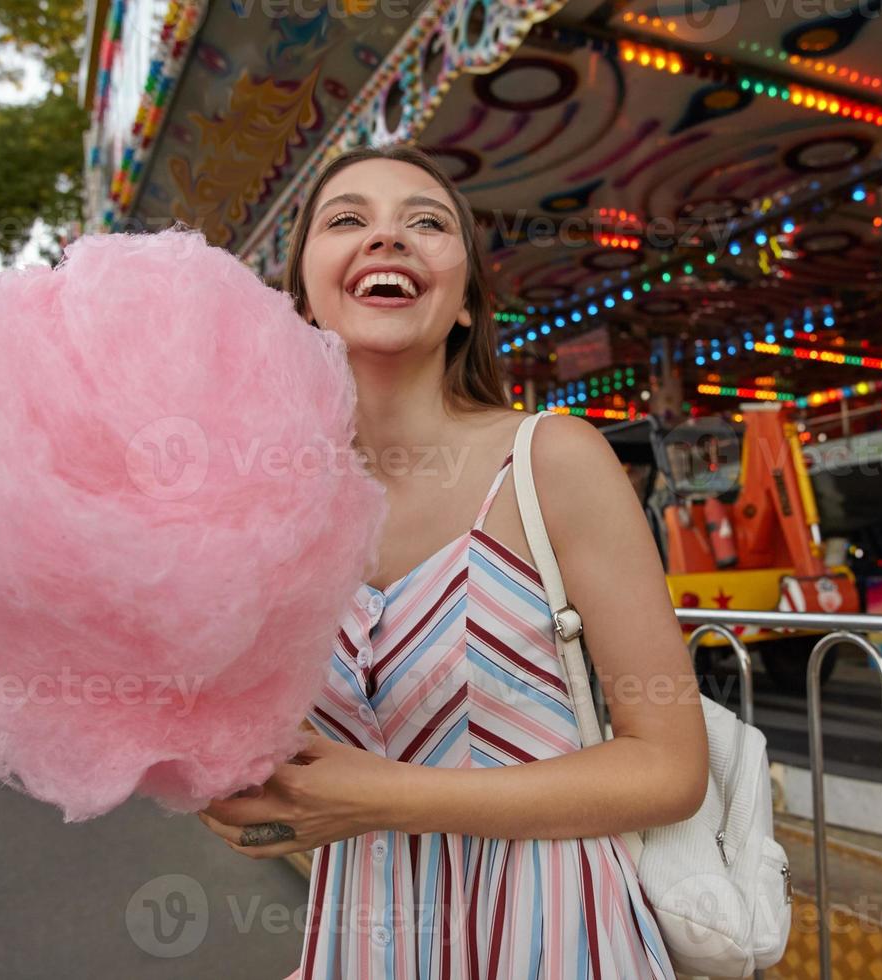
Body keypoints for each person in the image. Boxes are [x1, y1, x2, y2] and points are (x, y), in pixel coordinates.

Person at [195, 145, 709, 978]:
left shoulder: (553, 458)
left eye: (425, 223)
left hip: (548, 930)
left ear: (465, 301)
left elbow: (670, 765)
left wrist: (385, 797)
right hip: (364, 934)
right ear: (301, 297)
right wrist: (232, 791)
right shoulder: (270, 506)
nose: (387, 237)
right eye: (348, 219)